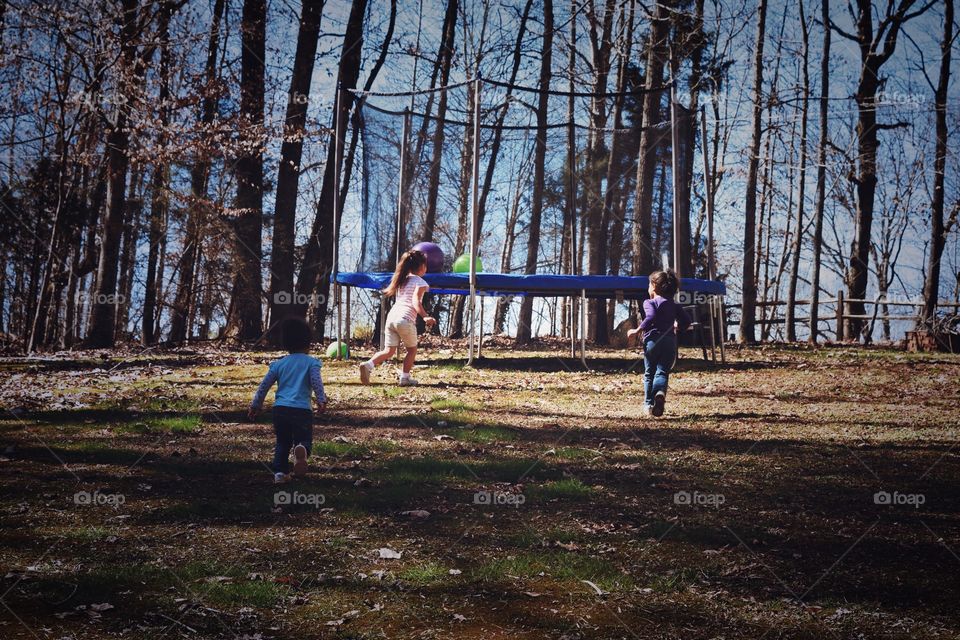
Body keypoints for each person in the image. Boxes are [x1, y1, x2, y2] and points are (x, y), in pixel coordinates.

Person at [248, 316, 328, 483]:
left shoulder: (279, 364)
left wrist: (256, 404)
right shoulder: (311, 363)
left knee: (282, 442)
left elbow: (264, 386)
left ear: (286, 343)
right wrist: (321, 399)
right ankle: (302, 450)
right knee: (304, 438)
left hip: (281, 409)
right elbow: (316, 382)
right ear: (308, 343)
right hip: (302, 410)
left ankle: (280, 473)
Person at [359, 249, 437, 387]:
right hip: (405, 319)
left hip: (392, 318)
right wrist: (425, 316)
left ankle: (368, 365)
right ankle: (405, 378)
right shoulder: (420, 282)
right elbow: (415, 301)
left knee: (388, 351)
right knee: (412, 350)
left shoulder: (401, 280)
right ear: (421, 267)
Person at [627, 269, 691, 417]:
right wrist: (678, 328)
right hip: (669, 341)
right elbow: (687, 321)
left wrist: (637, 330)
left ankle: (649, 404)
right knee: (662, 371)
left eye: (649, 284)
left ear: (654, 286)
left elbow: (651, 316)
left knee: (649, 373)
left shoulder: (649, 302)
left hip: (652, 341)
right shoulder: (674, 305)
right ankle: (660, 393)